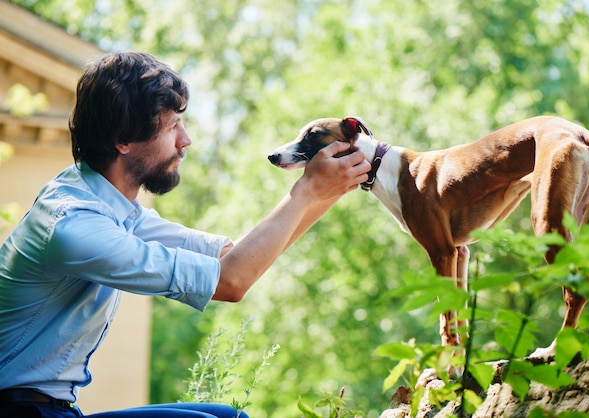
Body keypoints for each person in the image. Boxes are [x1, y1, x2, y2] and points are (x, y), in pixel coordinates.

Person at [0, 52, 371, 418]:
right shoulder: (75, 226)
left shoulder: (111, 207)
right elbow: (232, 282)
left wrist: (328, 190)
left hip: (51, 409)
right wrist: (306, 191)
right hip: (20, 410)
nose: (185, 140)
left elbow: (239, 257)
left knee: (227, 417)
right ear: (122, 139)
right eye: (171, 127)